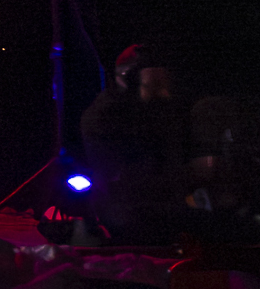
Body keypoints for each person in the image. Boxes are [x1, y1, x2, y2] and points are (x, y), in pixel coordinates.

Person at [78, 43, 241, 243]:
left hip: (166, 210)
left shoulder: (160, 111)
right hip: (128, 217)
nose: (165, 93)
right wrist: (191, 172)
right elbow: (124, 182)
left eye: (167, 84)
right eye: (154, 85)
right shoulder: (105, 118)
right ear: (128, 81)